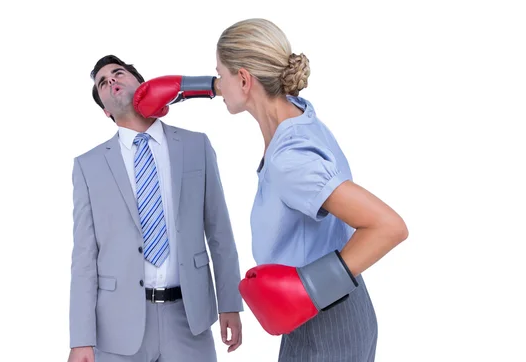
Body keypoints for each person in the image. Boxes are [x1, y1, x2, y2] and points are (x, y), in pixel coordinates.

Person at [133, 19, 409, 361]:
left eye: (220, 72)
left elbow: (388, 227)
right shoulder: (294, 112)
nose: (219, 81)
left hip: (324, 321)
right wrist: (193, 87)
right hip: (321, 310)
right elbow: (253, 87)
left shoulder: (290, 160)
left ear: (245, 80)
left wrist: (306, 290)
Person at [68, 55, 243, 362]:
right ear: (106, 109)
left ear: (141, 84)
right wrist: (81, 339)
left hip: (189, 319)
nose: (111, 81)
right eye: (102, 83)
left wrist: (230, 303)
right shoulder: (88, 166)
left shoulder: (195, 146)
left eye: (118, 73)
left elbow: (219, 232)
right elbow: (84, 257)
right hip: (117, 326)